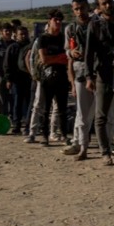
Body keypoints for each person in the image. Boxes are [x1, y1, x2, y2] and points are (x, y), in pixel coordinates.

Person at [85, 0, 114, 166]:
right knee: (100, 116)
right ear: (99, 7)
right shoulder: (94, 26)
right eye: (104, 3)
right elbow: (88, 53)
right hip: (102, 74)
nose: (108, 5)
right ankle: (105, 152)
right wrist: (89, 76)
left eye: (110, 2)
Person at [62, 0, 94, 161]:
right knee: (82, 113)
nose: (80, 11)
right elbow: (68, 52)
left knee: (103, 114)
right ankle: (81, 145)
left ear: (88, 7)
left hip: (98, 73)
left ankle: (108, 145)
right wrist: (71, 53)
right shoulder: (71, 29)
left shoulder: (96, 25)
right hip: (80, 73)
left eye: (82, 7)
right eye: (76, 9)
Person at [37, 9, 70, 146]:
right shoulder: (43, 38)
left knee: (62, 109)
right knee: (46, 108)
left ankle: (64, 134)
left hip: (62, 76)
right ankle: (44, 135)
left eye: (60, 20)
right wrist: (59, 58)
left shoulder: (63, 38)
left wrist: (56, 58)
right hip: (47, 77)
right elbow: (43, 59)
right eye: (55, 20)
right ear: (49, 21)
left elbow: (68, 58)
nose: (58, 23)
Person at [3, 25, 32, 135]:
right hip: (16, 80)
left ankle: (29, 125)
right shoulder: (12, 47)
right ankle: (16, 125)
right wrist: (8, 79)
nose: (23, 36)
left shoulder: (31, 46)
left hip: (29, 79)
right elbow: (7, 65)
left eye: (25, 34)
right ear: (16, 35)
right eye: (21, 34)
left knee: (30, 103)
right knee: (17, 103)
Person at [0, 23, 14, 116]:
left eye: (9, 31)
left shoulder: (14, 44)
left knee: (12, 97)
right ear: (2, 32)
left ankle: (13, 117)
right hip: (1, 75)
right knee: (1, 97)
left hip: (13, 75)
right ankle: (3, 116)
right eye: (6, 31)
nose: (8, 32)